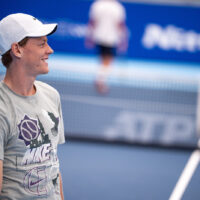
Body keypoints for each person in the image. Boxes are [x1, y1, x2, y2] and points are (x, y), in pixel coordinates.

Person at [0, 13, 65, 199]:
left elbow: (54, 167)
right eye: (42, 44)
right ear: (17, 50)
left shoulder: (52, 96)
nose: (50, 50)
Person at [86, 0, 128, 93]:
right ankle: (100, 80)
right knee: (107, 61)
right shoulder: (118, 7)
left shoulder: (97, 4)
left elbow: (92, 22)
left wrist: (89, 37)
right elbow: (120, 25)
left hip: (98, 37)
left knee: (103, 60)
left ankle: (100, 80)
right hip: (111, 39)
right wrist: (123, 41)